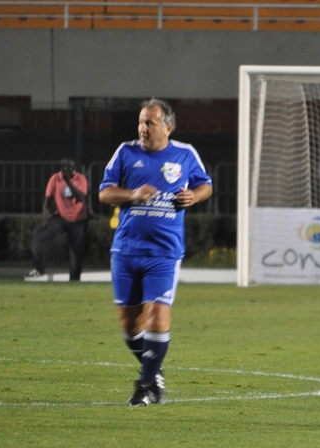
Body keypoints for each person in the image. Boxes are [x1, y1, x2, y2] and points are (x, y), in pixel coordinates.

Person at [99, 98, 213, 406]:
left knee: (158, 316)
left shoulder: (185, 154)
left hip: (164, 252)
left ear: (167, 127)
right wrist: (132, 194)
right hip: (126, 250)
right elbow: (105, 191)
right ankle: (155, 369)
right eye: (140, 122)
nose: (142, 128)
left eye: (149, 123)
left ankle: (145, 385)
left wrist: (194, 196)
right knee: (130, 326)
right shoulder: (126, 152)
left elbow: (206, 185)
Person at [27, 158, 89, 281]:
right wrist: (45, 219)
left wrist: (68, 182)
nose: (72, 170)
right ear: (63, 169)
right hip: (60, 216)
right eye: (68, 167)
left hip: (78, 219)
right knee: (39, 235)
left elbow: (81, 198)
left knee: (76, 250)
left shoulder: (80, 178)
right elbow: (47, 201)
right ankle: (39, 268)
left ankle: (74, 278)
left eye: (73, 167)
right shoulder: (55, 178)